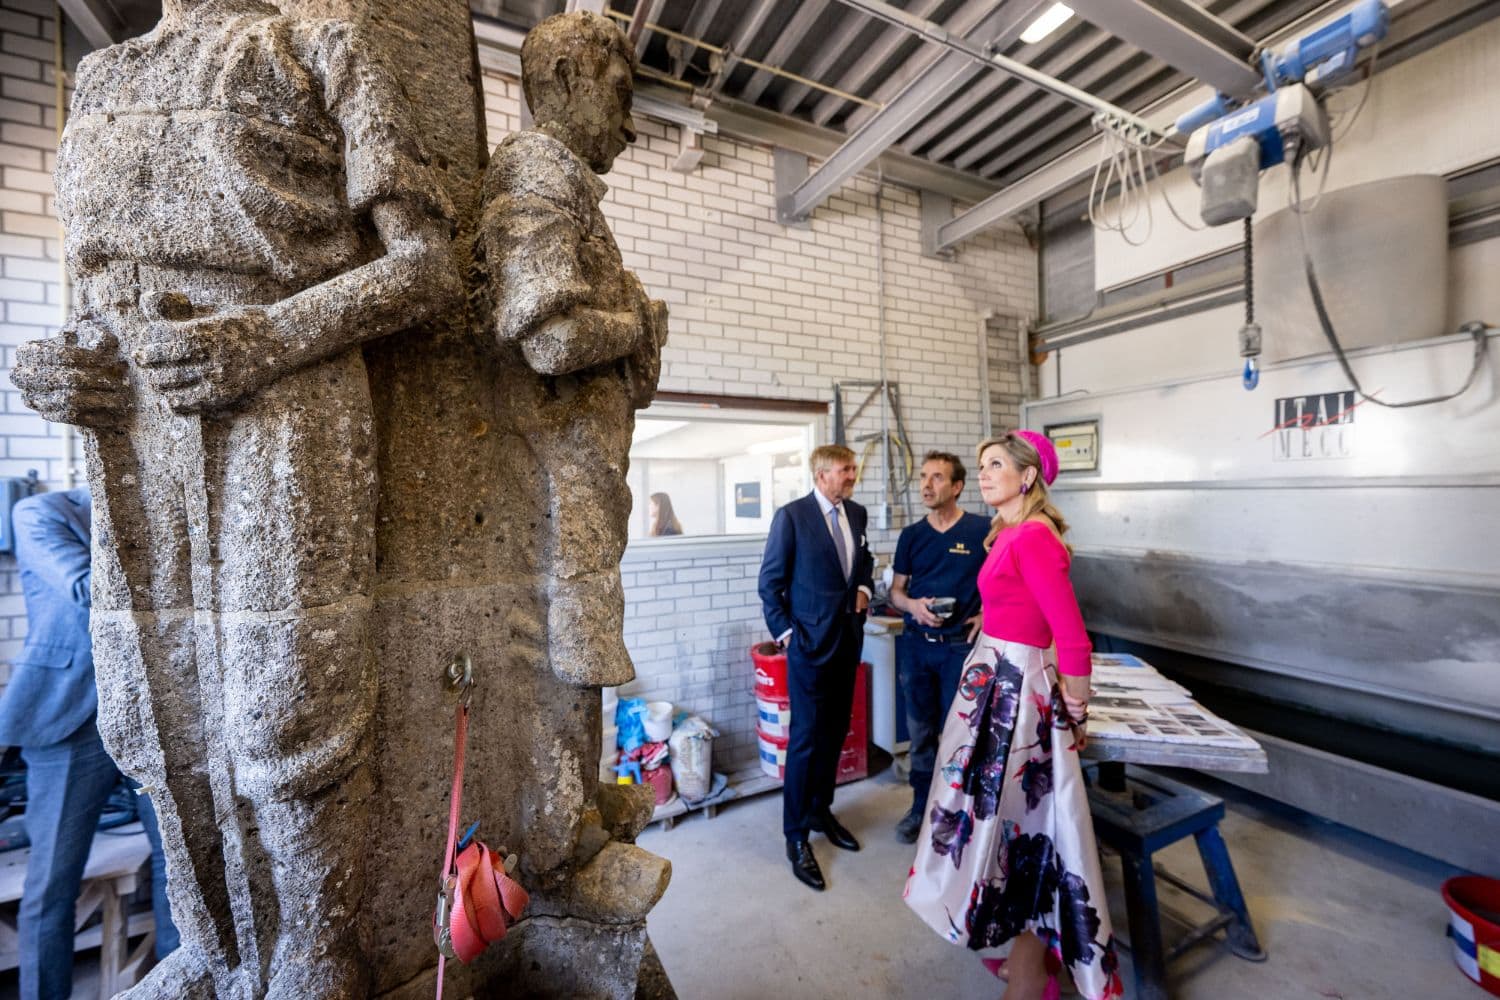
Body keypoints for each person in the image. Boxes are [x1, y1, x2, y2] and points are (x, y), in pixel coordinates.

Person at [9, 3, 461, 995]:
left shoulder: (318, 44)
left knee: (288, 702)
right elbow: (94, 286)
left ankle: (316, 947)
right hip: (132, 419)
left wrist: (268, 339)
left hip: (284, 394)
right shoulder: (104, 75)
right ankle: (214, 949)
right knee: (150, 705)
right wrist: (58, 365)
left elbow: (429, 264)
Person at [478, 9, 669, 689]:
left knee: (580, 672)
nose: (629, 122)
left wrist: (635, 346)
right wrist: (635, 328)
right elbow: (552, 339)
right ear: (565, 78)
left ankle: (576, 791)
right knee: (568, 675)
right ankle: (565, 797)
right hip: (557, 488)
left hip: (584, 481)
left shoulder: (564, 183)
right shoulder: (536, 169)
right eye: (620, 90)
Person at [904, 431, 1123, 1000]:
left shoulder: (1032, 537)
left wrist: (1074, 701)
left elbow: (1071, 633)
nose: (983, 472)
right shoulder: (1009, 534)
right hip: (999, 671)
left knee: (1023, 825)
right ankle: (1026, 961)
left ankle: (1031, 979)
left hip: (1018, 689)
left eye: (996, 464)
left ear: (1028, 476)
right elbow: (1015, 606)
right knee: (1016, 823)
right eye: (980, 465)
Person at [0, 490, 177, 1000]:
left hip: (148, 715)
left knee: (176, 865)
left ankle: (176, 983)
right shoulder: (40, 513)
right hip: (67, 719)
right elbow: (84, 587)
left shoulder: (152, 509)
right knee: (53, 881)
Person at [757, 444, 874, 892]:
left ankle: (821, 810)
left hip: (848, 641)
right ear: (822, 474)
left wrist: (863, 587)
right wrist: (788, 636)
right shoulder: (792, 517)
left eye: (852, 469)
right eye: (845, 470)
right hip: (808, 647)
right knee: (805, 740)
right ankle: (796, 836)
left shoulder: (857, 514)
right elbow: (770, 584)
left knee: (835, 730)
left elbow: (863, 561)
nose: (852, 476)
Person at [887, 451, 991, 843]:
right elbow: (896, 591)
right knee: (920, 731)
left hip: (958, 650)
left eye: (937, 478)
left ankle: (957, 809)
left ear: (957, 487)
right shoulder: (912, 536)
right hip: (917, 648)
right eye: (924, 478)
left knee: (960, 732)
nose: (927, 486)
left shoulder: (983, 530)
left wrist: (986, 615)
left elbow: (1004, 582)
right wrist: (913, 605)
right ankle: (919, 807)